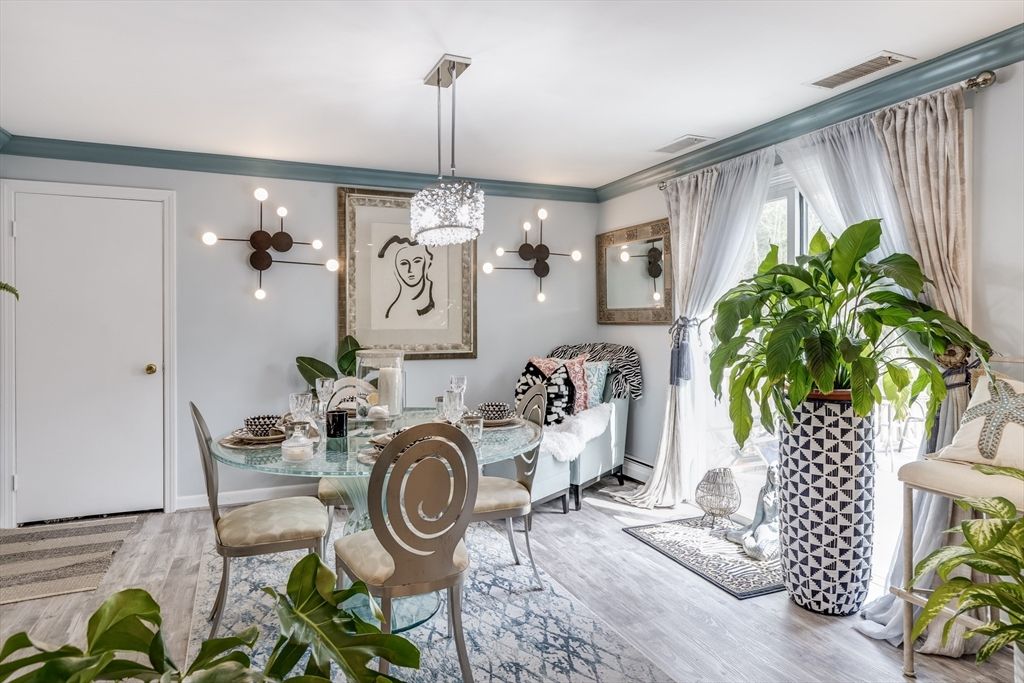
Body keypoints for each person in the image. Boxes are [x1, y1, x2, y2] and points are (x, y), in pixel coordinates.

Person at [377, 235, 435, 321]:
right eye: (404, 263)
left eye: (417, 261)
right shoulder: (395, 312)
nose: (410, 269)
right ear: (395, 267)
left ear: (426, 263)